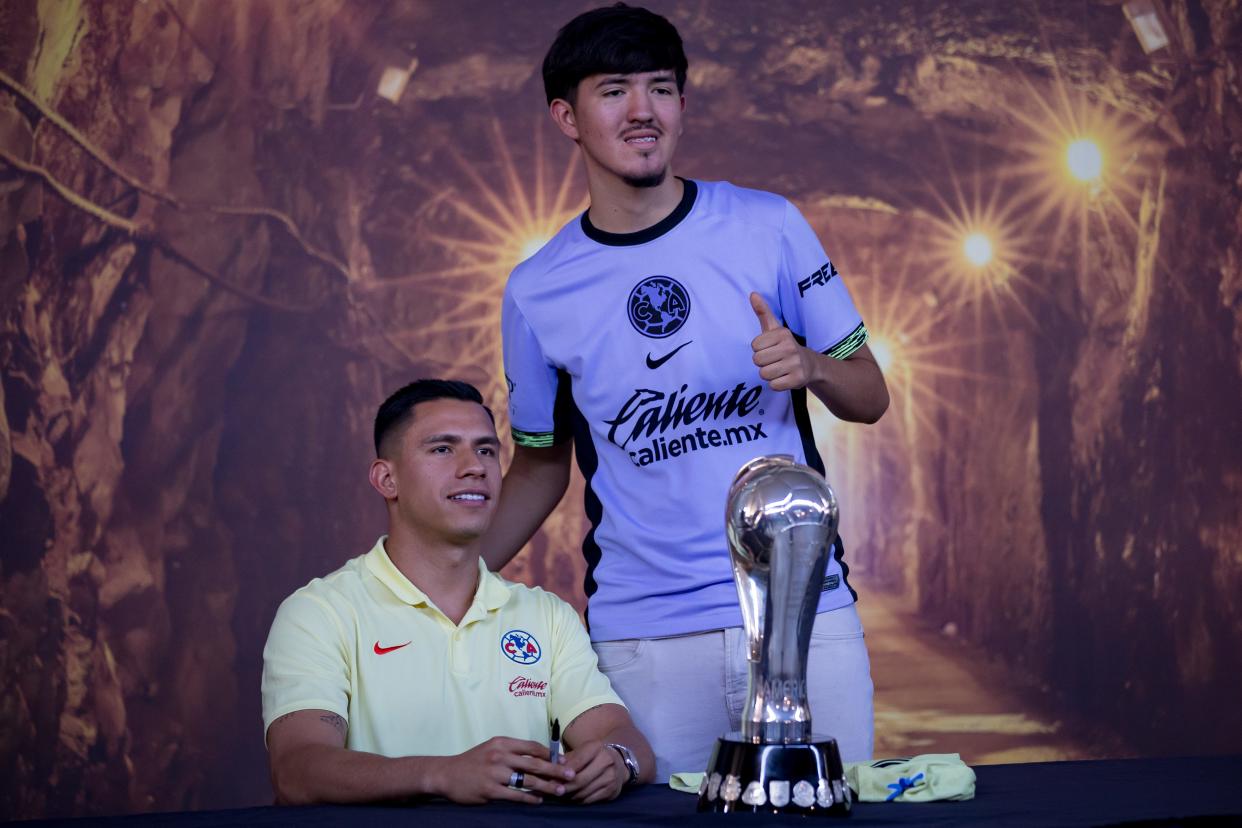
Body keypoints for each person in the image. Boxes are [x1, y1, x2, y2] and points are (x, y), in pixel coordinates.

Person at [487, 4, 890, 781]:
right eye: (614, 91)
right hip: (644, 639)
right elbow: (540, 465)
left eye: (661, 88)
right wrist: (436, 589)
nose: (642, 111)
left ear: (682, 104)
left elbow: (869, 394)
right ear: (566, 116)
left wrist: (811, 366)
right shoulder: (536, 290)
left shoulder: (767, 227)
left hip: (804, 620)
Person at [261, 379, 654, 805]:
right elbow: (297, 770)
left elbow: (621, 736)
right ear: (386, 479)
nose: (475, 467)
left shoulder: (547, 615)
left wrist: (617, 762)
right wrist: (442, 773)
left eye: (487, 450)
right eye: (443, 449)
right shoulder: (320, 612)